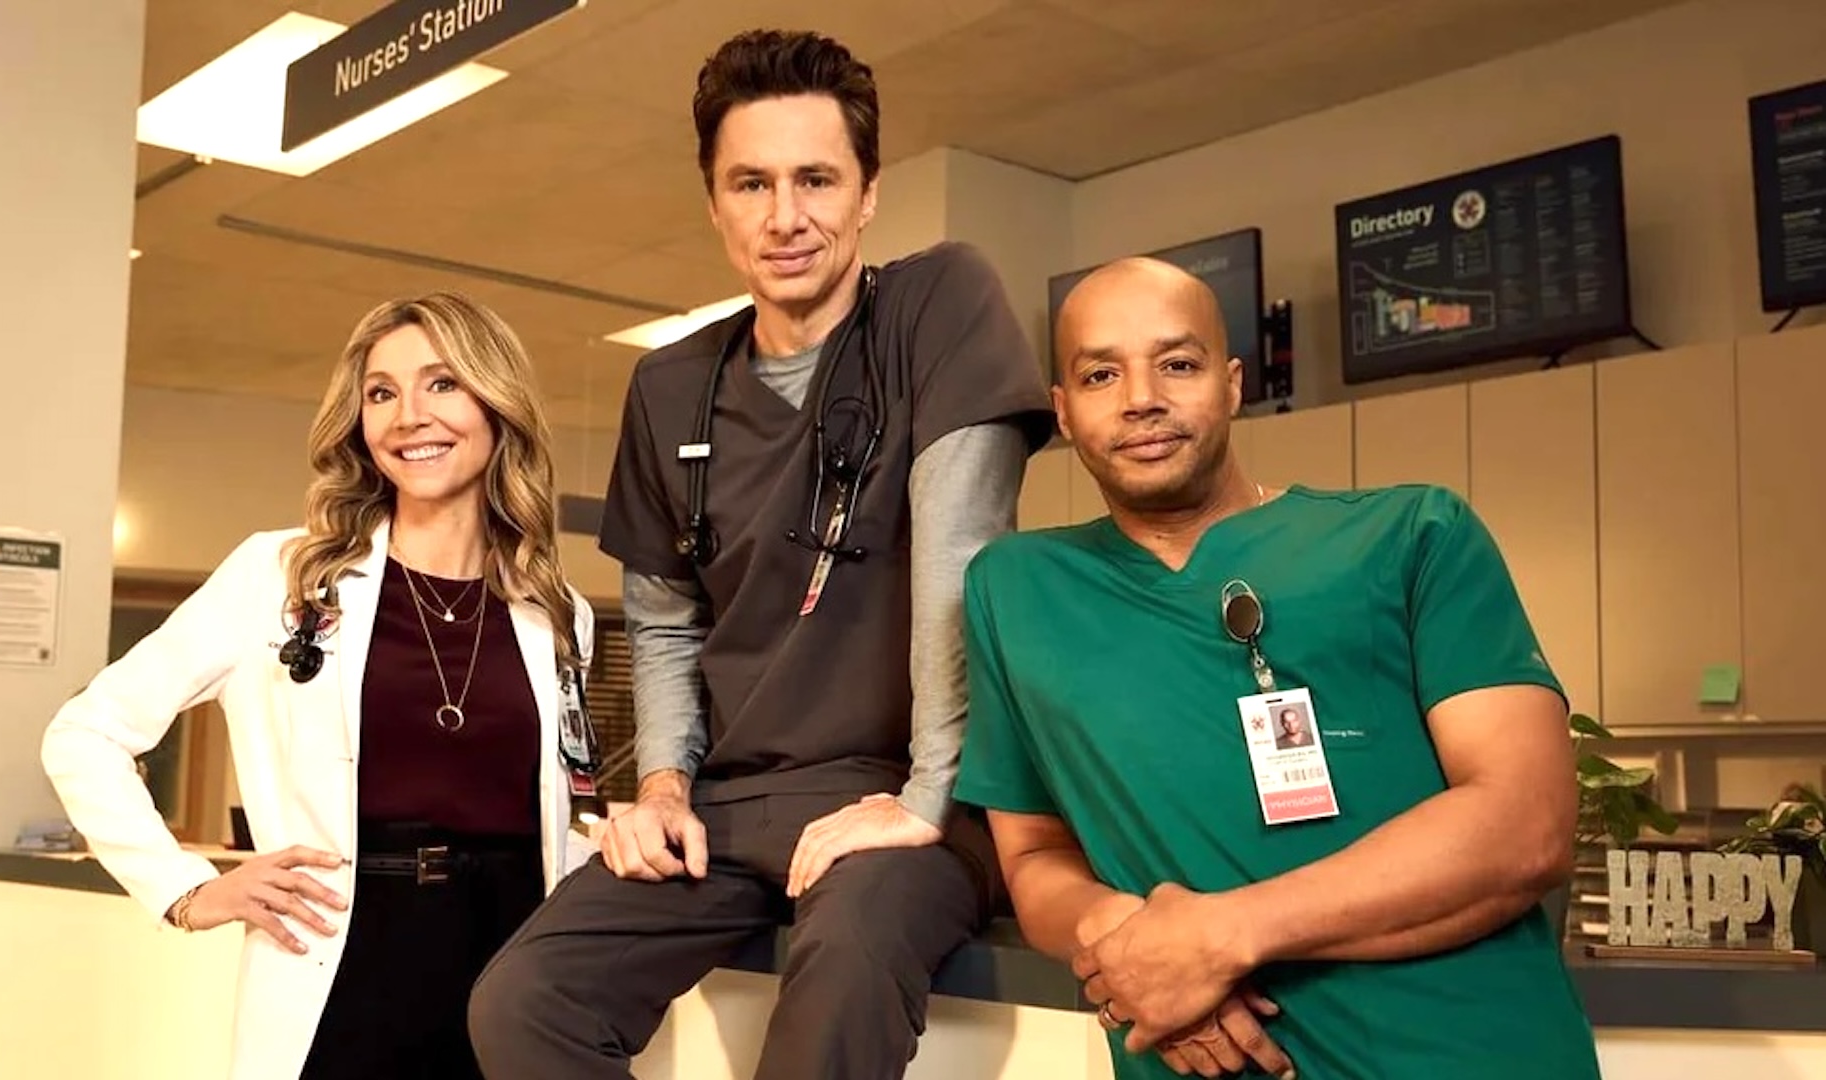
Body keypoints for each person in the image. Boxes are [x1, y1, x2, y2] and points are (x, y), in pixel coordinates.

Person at [467, 28, 1060, 1080]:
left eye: (816, 179)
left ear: (868, 193)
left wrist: (927, 798)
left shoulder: (937, 306)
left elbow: (961, 560)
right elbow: (663, 623)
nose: (786, 216)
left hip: (908, 788)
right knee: (523, 1001)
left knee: (841, 980)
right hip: (729, 806)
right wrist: (661, 788)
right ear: (715, 203)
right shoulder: (670, 387)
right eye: (752, 183)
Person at [953, 257, 1602, 1079]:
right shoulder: (1017, 591)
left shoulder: (1412, 536)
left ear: (1232, 385)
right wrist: (1125, 941)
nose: (1140, 397)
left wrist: (1215, 940)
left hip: (1470, 1051)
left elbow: (1527, 823)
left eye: (1177, 364)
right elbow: (1034, 854)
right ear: (1063, 411)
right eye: (1100, 374)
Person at [40, 292, 598, 1080]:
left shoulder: (555, 610)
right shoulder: (280, 575)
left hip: (515, 968)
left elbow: (554, 809)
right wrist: (186, 891)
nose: (409, 416)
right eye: (381, 393)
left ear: (496, 402)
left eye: (442, 383)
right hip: (348, 963)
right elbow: (85, 734)